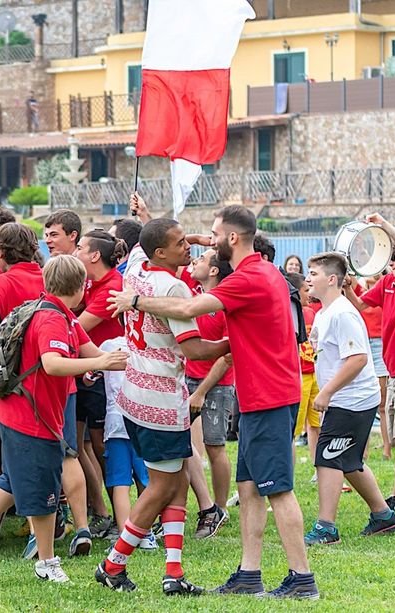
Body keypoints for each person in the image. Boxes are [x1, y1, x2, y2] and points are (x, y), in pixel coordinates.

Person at [109, 205, 319, 599]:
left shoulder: (248, 279)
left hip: (270, 396)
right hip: (261, 395)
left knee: (278, 488)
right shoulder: (260, 272)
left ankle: (302, 579)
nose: (206, 238)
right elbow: (153, 245)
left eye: (213, 233)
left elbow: (188, 308)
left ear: (232, 239)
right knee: (251, 486)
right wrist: (198, 240)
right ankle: (248, 574)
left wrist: (134, 302)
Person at [0, 255, 127, 583]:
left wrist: (132, 359)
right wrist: (97, 366)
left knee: (13, 482)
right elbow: (53, 363)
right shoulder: (52, 319)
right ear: (81, 286)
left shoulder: (60, 313)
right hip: (30, 418)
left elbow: (94, 353)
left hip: (25, 414)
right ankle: (46, 563)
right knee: (44, 492)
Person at [94, 219, 230, 596]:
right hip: (162, 399)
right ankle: (112, 565)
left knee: (178, 482)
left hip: (134, 390)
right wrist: (229, 343)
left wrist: (195, 235)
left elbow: (141, 240)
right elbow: (194, 349)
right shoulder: (174, 287)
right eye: (180, 243)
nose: (188, 247)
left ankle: (173, 572)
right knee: (160, 488)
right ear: (160, 253)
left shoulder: (136, 270)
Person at [301, 252, 395, 546]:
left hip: (351, 399)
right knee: (348, 459)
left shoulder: (342, 313)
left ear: (332, 280)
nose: (308, 279)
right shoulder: (324, 312)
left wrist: (327, 391)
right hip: (346, 399)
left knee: (328, 458)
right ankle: (384, 517)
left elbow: (357, 359)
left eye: (314, 273)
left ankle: (326, 528)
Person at [343, 213, 395, 513]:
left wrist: (383, 226)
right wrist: (346, 287)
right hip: (394, 371)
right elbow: (360, 303)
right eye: (391, 259)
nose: (391, 263)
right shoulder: (389, 284)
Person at [74, 229, 128, 537]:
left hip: (104, 378)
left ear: (95, 255)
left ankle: (125, 519)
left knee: (102, 447)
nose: (76, 253)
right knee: (87, 445)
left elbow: (79, 328)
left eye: (80, 247)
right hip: (92, 373)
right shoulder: (94, 283)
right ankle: (107, 514)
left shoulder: (112, 287)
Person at [185, 249, 234, 537]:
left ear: (214, 270)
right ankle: (202, 506)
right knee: (179, 442)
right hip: (187, 378)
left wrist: (201, 391)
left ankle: (218, 508)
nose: (194, 262)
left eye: (201, 259)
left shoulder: (225, 303)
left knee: (215, 446)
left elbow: (227, 355)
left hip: (217, 383)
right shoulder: (193, 292)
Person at [99, 336, 156, 551]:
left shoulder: (108, 346)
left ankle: (125, 536)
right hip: (143, 421)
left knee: (120, 482)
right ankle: (146, 532)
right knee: (148, 481)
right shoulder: (150, 343)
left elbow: (88, 376)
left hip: (116, 423)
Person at [287, 271, 321, 467]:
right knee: (294, 427)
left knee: (316, 424)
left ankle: (318, 465)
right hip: (300, 376)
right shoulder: (290, 314)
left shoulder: (312, 312)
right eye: (306, 290)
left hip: (314, 373)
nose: (310, 294)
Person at [358, 273, 391, 459]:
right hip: (364, 343)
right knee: (365, 400)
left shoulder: (384, 290)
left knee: (382, 403)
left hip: (379, 344)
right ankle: (364, 451)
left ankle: (387, 447)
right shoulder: (361, 292)